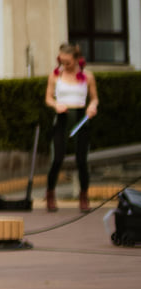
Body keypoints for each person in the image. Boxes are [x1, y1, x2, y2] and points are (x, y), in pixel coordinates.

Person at [44, 42, 97, 213]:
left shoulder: (88, 76)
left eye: (68, 62)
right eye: (61, 61)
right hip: (62, 118)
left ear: (76, 59)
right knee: (57, 158)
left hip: (80, 118)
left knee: (81, 160)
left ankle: (84, 196)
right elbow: (48, 98)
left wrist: (92, 106)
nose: (64, 65)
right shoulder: (55, 76)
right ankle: (50, 194)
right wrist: (56, 105)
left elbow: (94, 98)